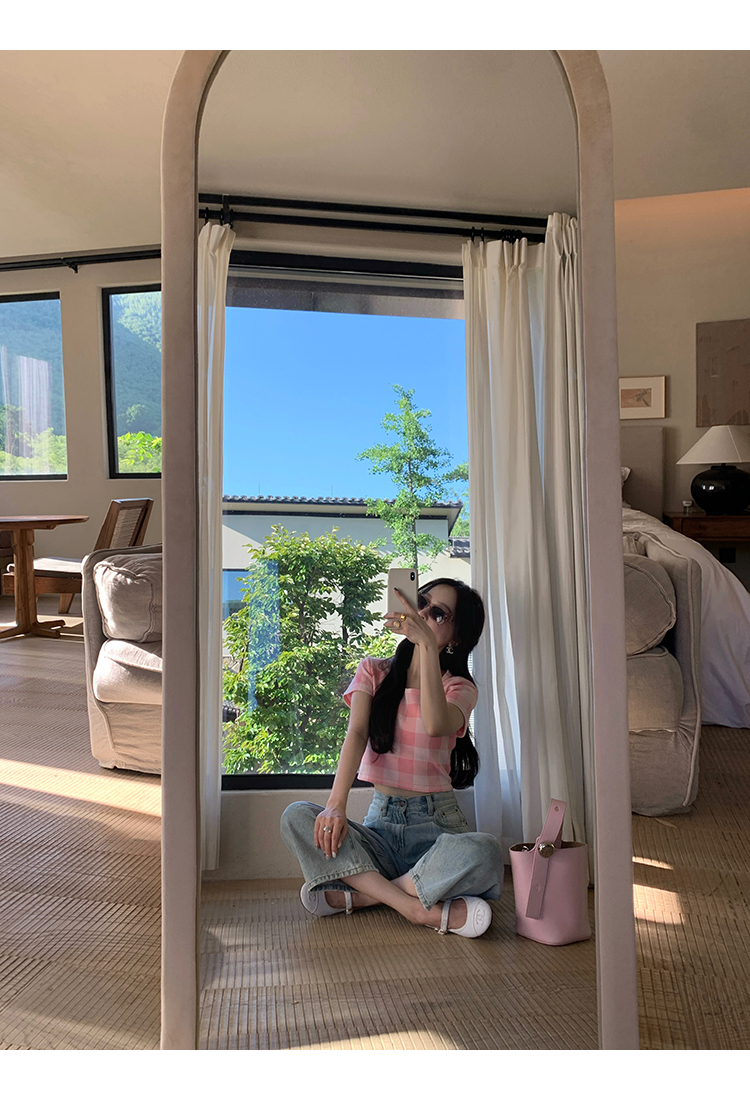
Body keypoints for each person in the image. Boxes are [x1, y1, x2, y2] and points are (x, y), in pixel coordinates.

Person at [280, 577, 504, 938]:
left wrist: (426, 646)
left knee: (486, 851)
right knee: (297, 816)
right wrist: (335, 805)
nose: (423, 614)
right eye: (422, 602)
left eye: (439, 614)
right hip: (380, 828)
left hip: (438, 829)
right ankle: (415, 906)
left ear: (456, 638)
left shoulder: (460, 687)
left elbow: (435, 724)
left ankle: (367, 895)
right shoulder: (374, 671)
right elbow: (356, 734)